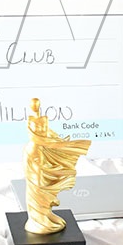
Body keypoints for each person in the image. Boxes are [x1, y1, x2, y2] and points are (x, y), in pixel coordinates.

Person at [23, 98, 91, 234]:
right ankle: (39, 220)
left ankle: (44, 216)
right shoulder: (33, 147)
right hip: (38, 185)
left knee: (43, 196)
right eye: (39, 129)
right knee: (39, 195)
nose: (42, 131)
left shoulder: (45, 144)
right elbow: (36, 175)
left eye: (44, 128)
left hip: (42, 184)